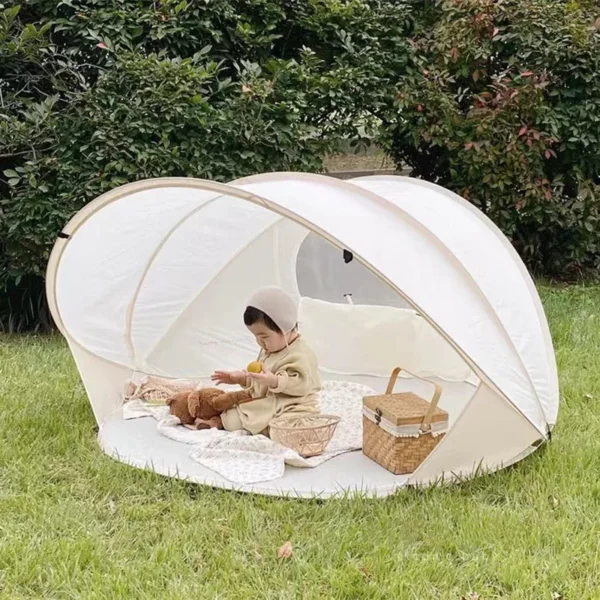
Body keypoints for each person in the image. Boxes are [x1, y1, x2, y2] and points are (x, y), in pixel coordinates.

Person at [211, 286, 321, 435]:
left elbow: (302, 385)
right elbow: (260, 382)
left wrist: (275, 381)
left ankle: (291, 431)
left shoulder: (301, 354)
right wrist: (242, 378)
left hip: (293, 406)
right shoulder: (270, 349)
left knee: (281, 432)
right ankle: (248, 425)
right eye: (255, 336)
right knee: (231, 418)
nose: (259, 342)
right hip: (268, 403)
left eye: (264, 337)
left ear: (285, 327)